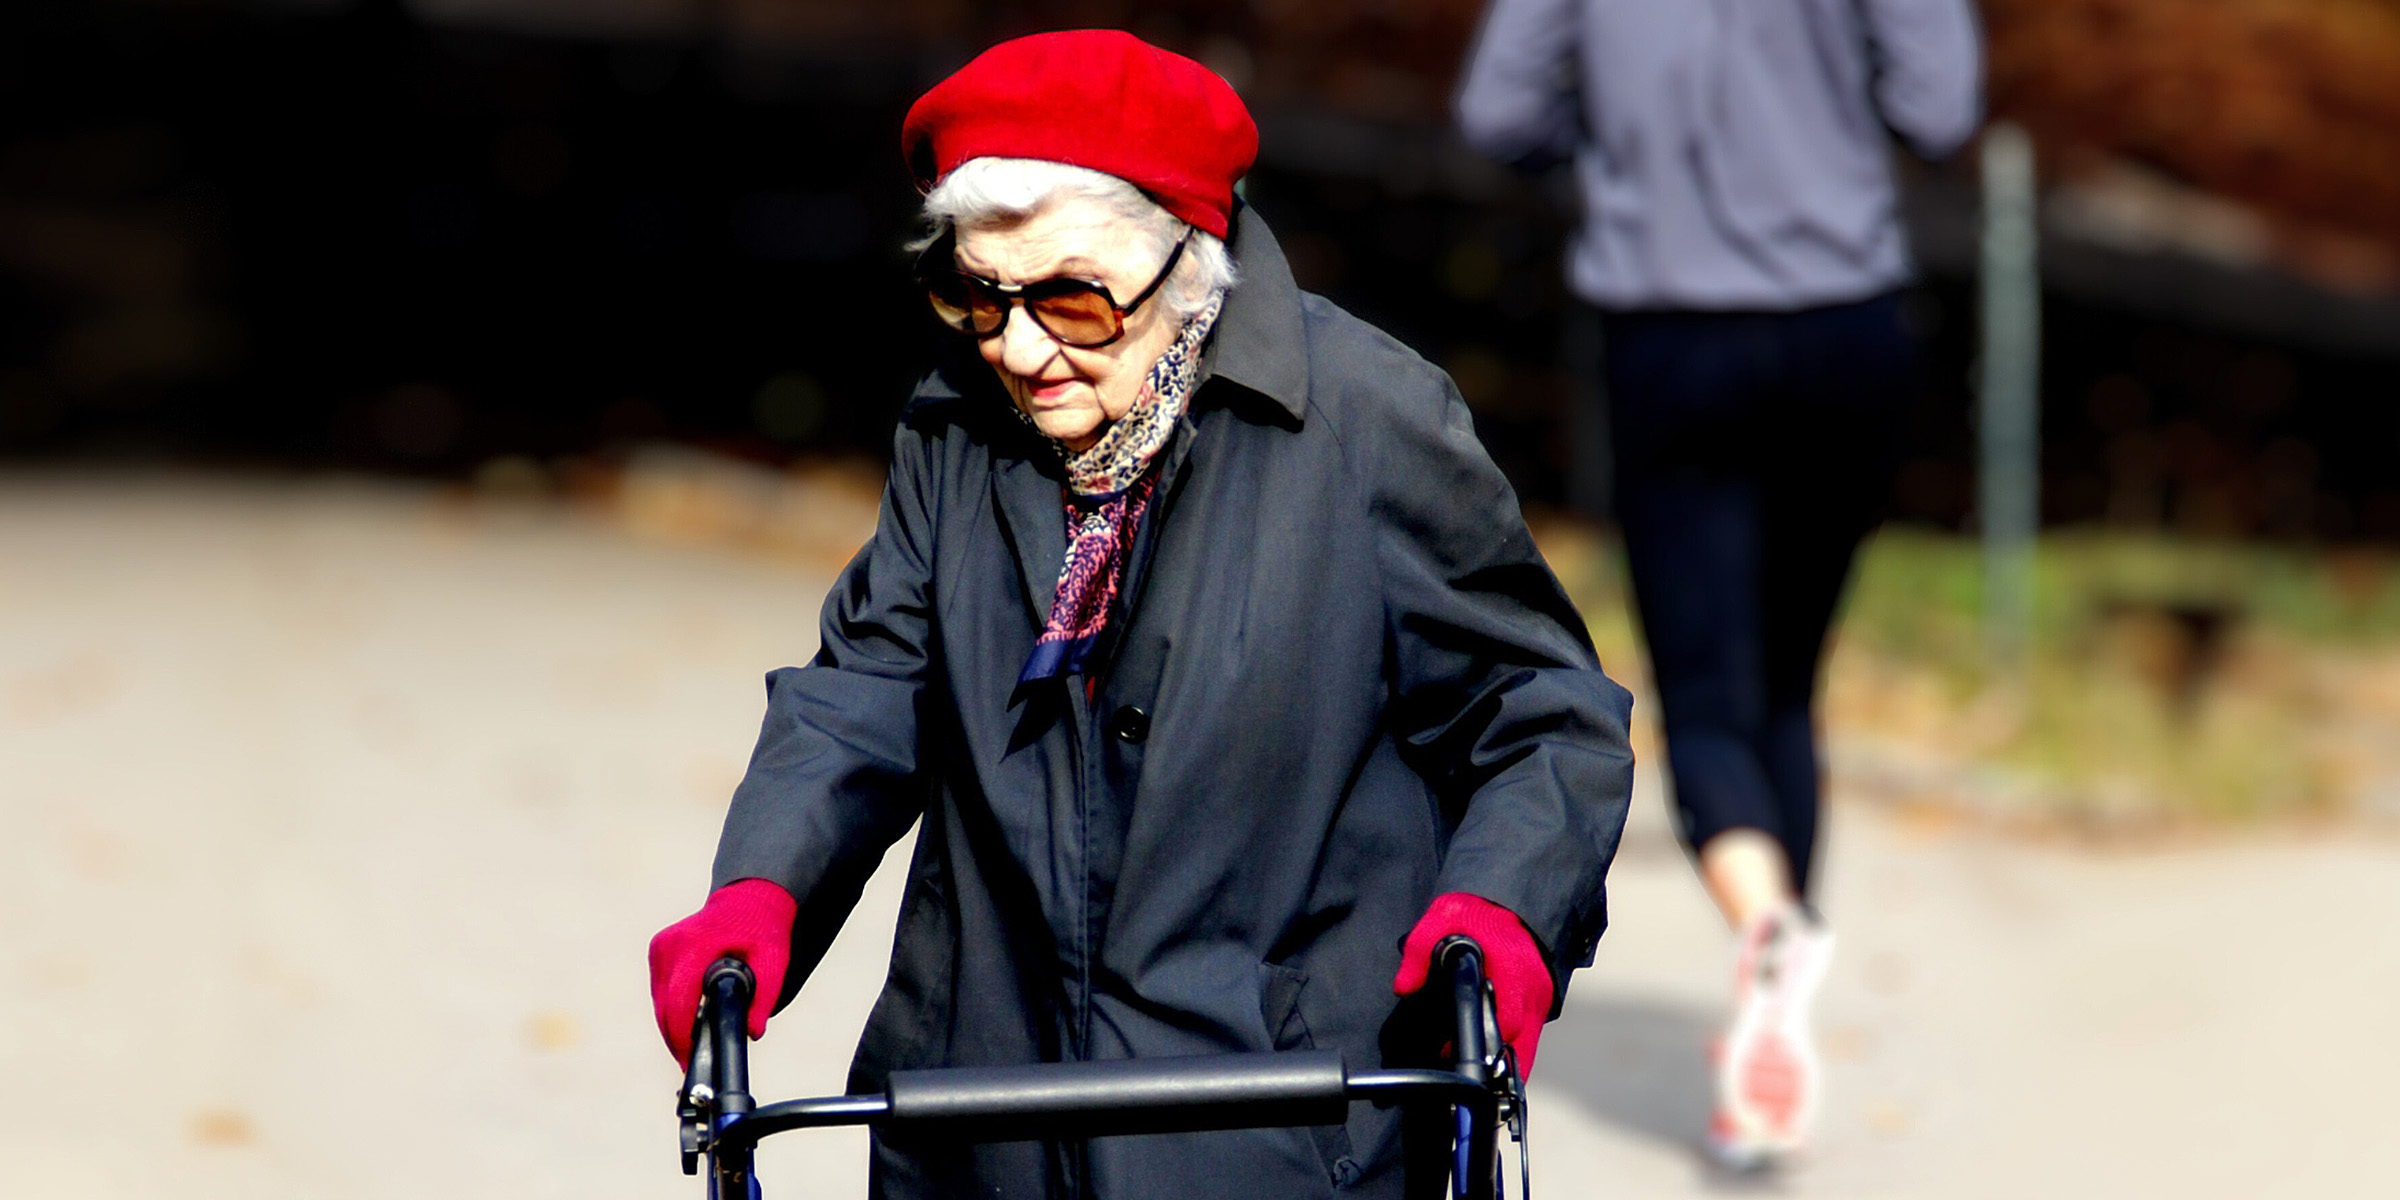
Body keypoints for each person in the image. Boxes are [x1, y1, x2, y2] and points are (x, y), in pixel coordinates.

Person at [647, 30, 1636, 1200]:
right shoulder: (957, 422)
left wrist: (1506, 911)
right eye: (977, 294)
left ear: (1191, 255)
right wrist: (763, 887)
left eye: (1070, 297)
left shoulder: (1369, 422)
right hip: (987, 1118)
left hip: (1280, 1126)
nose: (1018, 348)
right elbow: (870, 685)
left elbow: (1543, 716)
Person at [1456, 0, 1983, 1170]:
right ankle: (1772, 995)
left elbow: (1499, 112)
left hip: (1668, 324)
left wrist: (1615, 145)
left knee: (1706, 685)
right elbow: (1941, 107)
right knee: (1788, 682)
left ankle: (1763, 927)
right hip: (1846, 326)